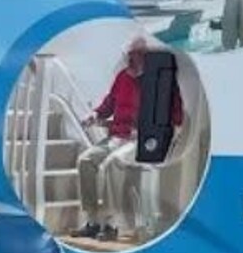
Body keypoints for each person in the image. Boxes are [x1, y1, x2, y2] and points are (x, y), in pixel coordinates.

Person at [76, 40, 184, 242]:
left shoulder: (159, 81)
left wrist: (167, 135)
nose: (129, 59)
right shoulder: (122, 77)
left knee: (111, 164)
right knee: (85, 161)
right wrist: (95, 115)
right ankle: (92, 221)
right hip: (117, 136)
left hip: (140, 140)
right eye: (128, 55)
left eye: (134, 55)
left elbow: (176, 114)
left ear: (144, 56)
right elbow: (108, 104)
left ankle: (111, 224)